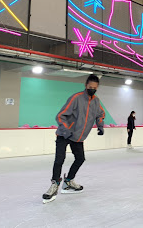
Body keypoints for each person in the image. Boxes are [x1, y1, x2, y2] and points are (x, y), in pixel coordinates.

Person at [42, 74, 105, 204]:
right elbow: (60, 116)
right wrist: (66, 130)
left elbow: (100, 114)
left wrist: (100, 125)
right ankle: (54, 185)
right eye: (90, 87)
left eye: (94, 88)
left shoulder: (96, 101)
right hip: (64, 134)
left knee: (80, 158)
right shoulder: (76, 98)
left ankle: (69, 181)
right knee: (60, 159)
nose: (92, 89)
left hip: (78, 137)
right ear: (86, 86)